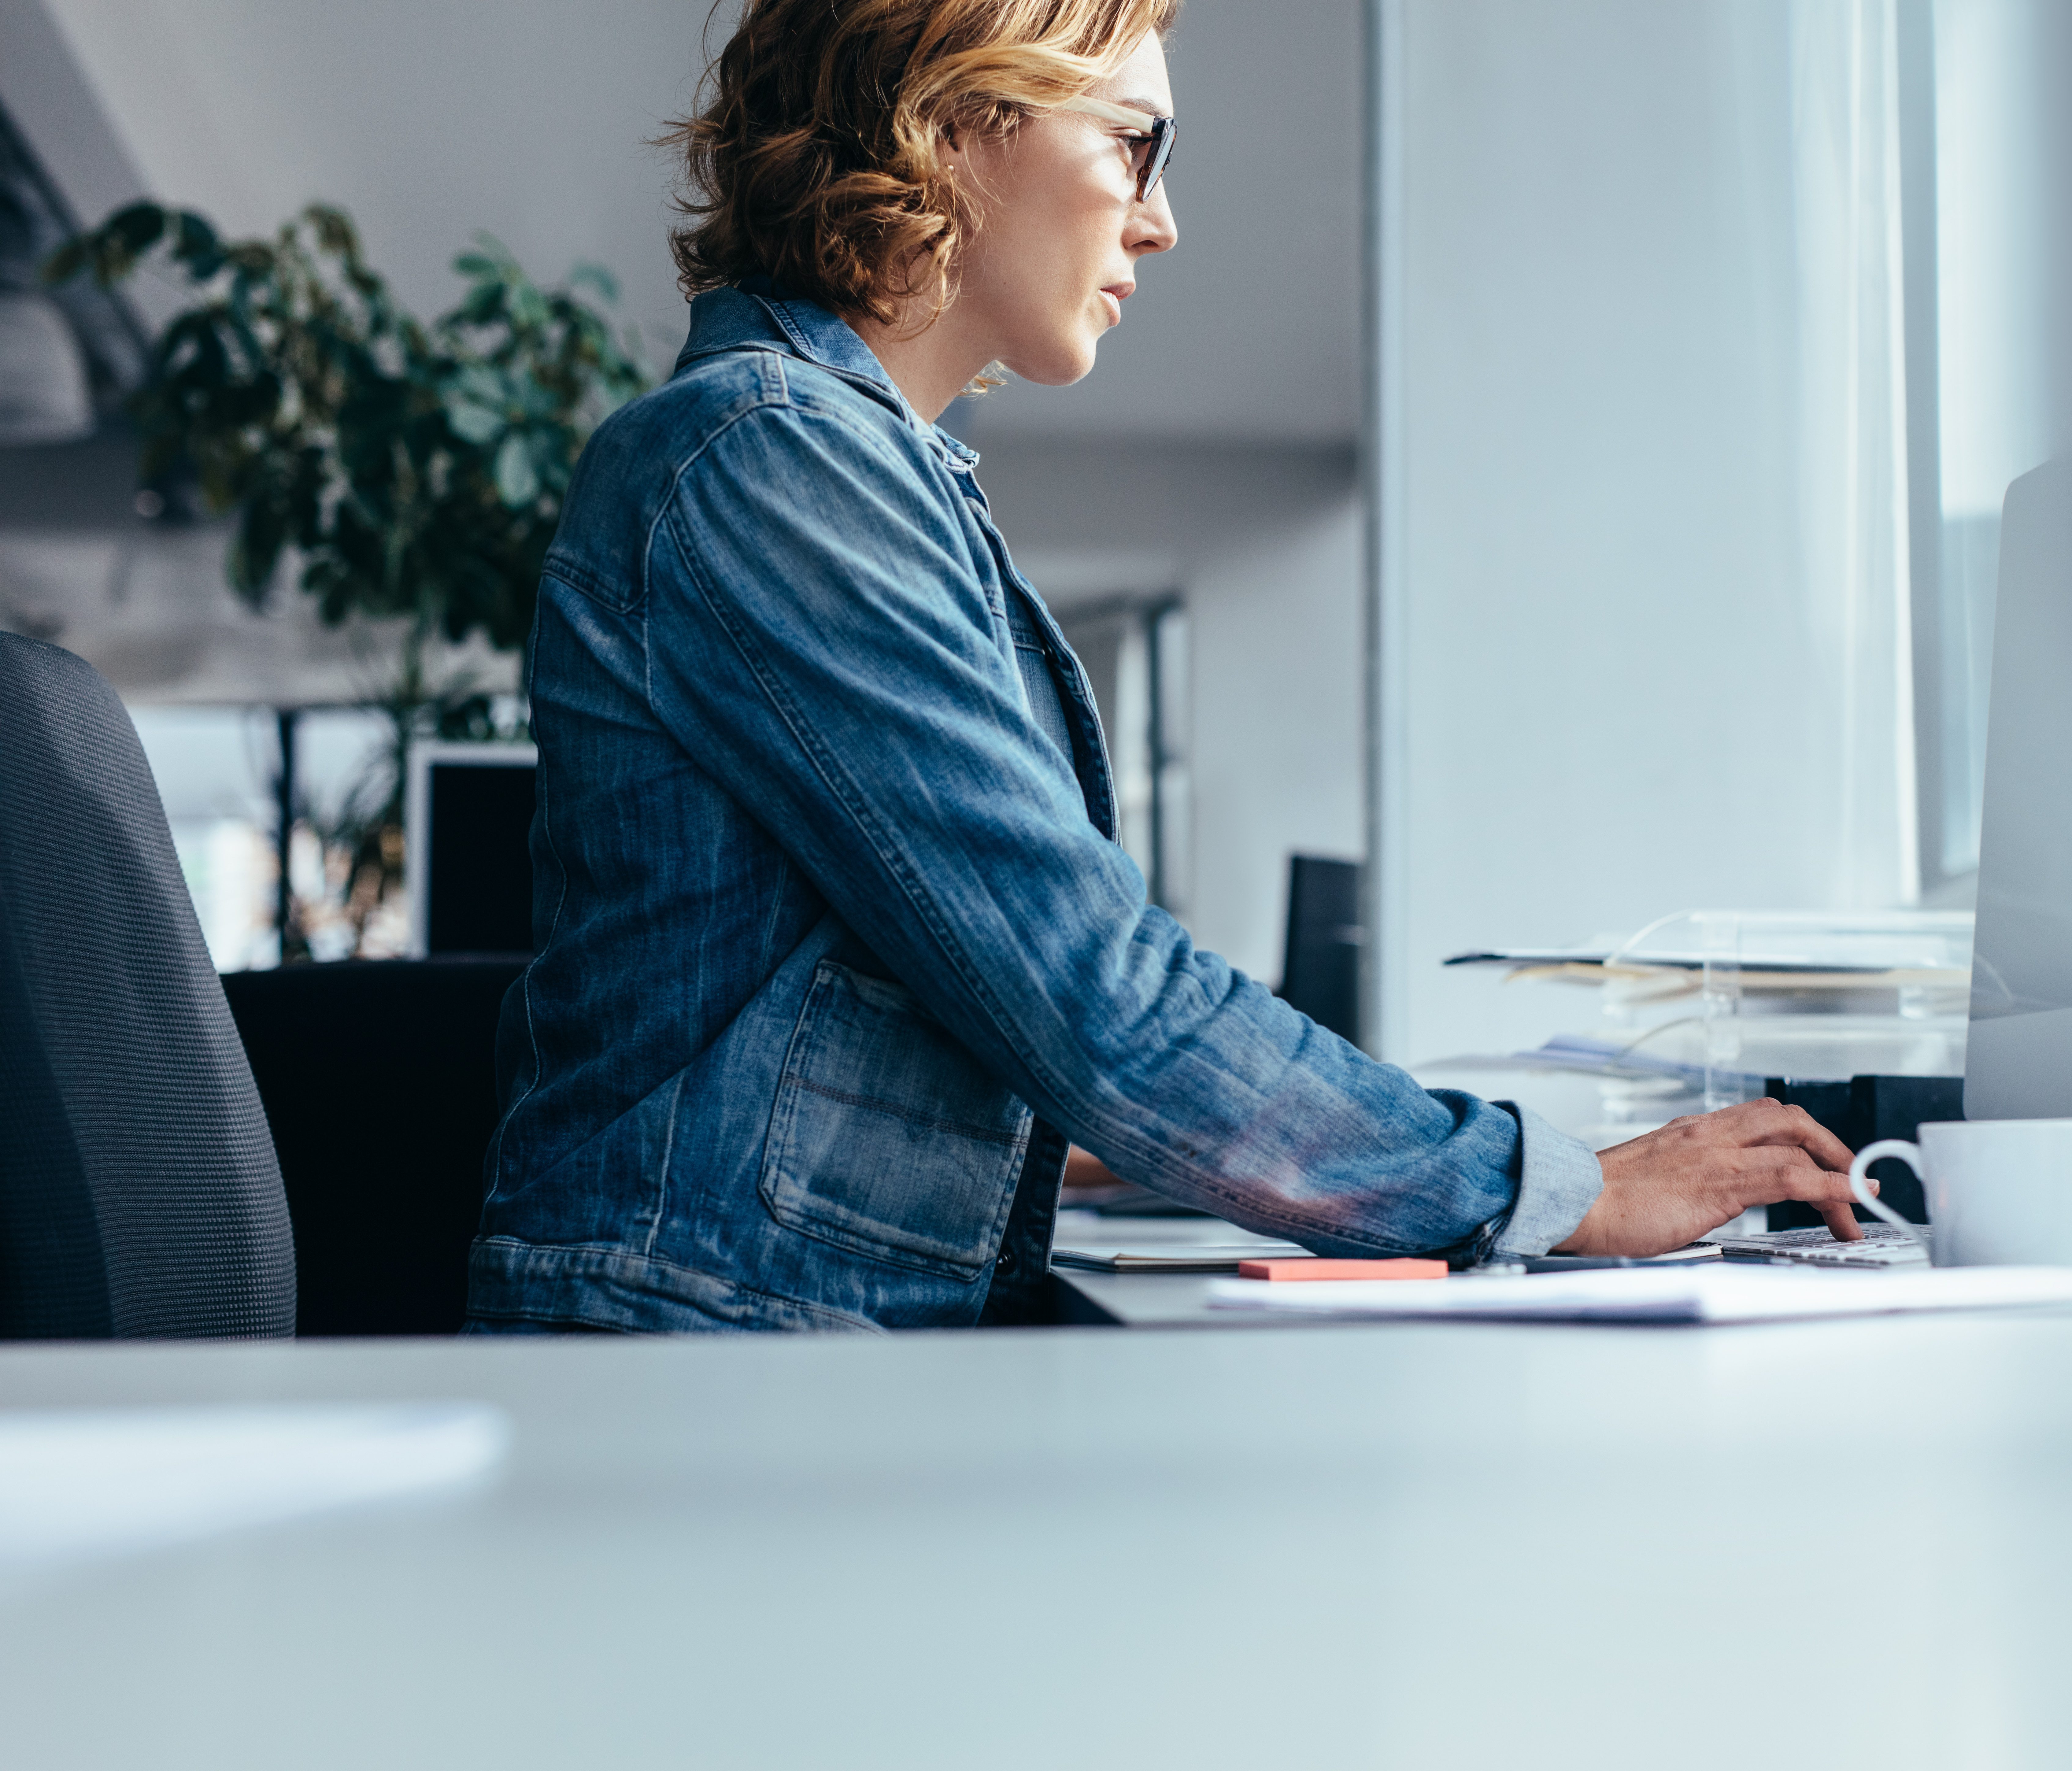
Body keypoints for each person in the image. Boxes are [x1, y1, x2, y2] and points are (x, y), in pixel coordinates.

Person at [465, 0, 1865, 1335]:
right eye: (1135, 141)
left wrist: (1074, 1139)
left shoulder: (844, 468)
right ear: (950, 120)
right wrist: (1563, 1186)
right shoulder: (770, 462)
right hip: (713, 1378)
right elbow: (1092, 994)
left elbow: (923, 990)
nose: (1163, 217)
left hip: (770, 1335)